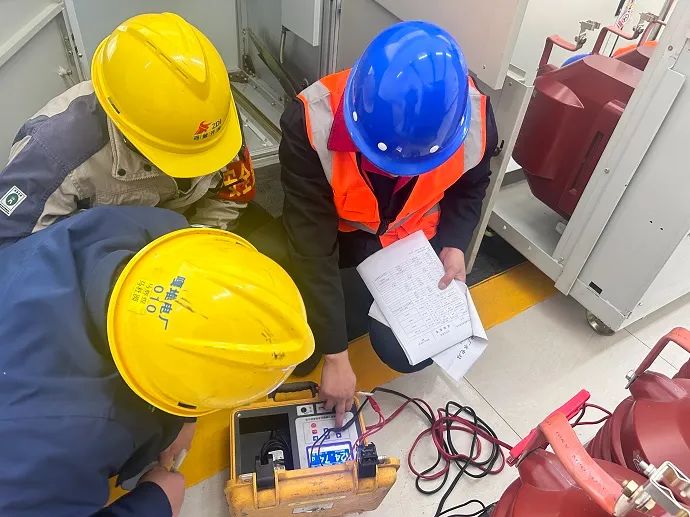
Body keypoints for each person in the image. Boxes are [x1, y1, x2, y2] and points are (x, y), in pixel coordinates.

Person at [0, 205, 314, 516]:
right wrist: (156, 502)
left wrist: (183, 415)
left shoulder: (138, 231)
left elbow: (173, 317)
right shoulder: (63, 442)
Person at [275, 21, 498, 425]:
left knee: (407, 353)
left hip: (410, 240)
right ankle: (339, 317)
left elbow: (471, 187)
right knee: (301, 350)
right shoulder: (310, 122)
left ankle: (370, 301)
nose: (395, 171)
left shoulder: (471, 119)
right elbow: (311, 245)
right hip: (342, 236)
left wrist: (454, 244)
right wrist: (336, 355)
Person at [0, 12, 256, 250]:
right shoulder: (52, 157)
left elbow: (233, 189)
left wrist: (200, 246)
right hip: (98, 260)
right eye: (173, 152)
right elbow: (14, 252)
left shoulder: (208, 109)